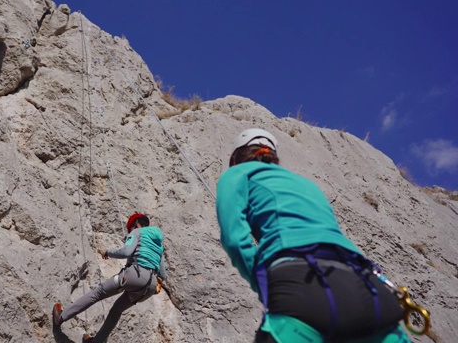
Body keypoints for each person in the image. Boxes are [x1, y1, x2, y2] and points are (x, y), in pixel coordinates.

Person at [215, 128, 410, 342]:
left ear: (235, 157)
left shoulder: (237, 174)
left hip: (302, 288)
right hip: (369, 290)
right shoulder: (308, 185)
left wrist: (263, 284)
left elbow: (234, 239)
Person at [53, 213, 167, 343]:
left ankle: (62, 315)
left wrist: (108, 252)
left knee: (98, 292)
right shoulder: (159, 244)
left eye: (130, 228)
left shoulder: (137, 232)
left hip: (135, 275)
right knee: (116, 310)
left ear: (135, 224)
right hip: (150, 286)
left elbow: (126, 252)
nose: (130, 231)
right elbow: (163, 274)